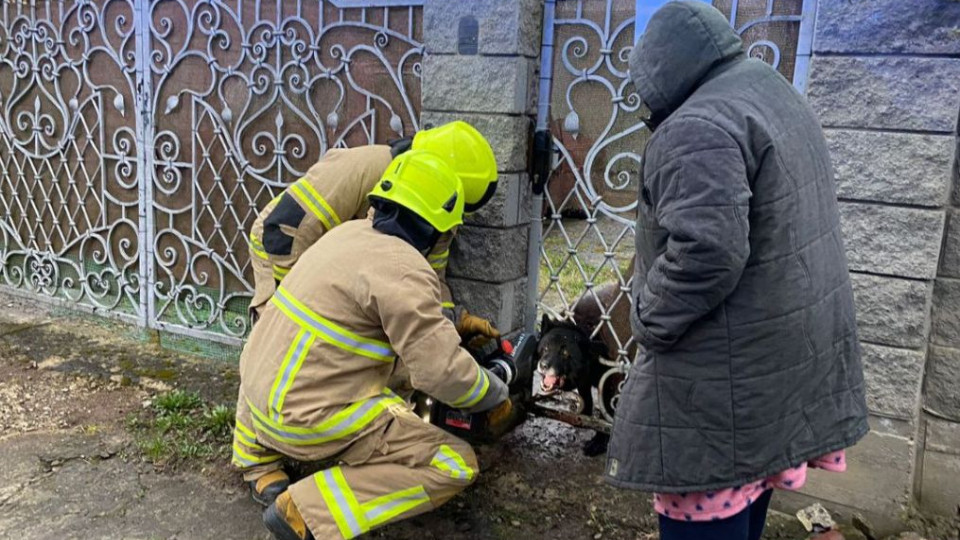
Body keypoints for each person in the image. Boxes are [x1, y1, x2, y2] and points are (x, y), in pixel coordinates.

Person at [605, 3, 869, 540]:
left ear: (657, 71)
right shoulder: (769, 94)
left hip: (723, 376)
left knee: (704, 508)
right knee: (748, 492)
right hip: (775, 360)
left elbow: (707, 251)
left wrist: (648, 318)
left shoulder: (698, 125)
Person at [233, 149, 512, 540]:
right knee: (455, 463)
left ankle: (258, 462)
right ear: (439, 228)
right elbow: (440, 372)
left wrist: (450, 328)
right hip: (303, 420)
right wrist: (493, 390)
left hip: (256, 408)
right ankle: (306, 512)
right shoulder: (405, 269)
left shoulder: (343, 236)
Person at [247, 121, 500, 339]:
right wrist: (295, 302)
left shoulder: (440, 212)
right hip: (283, 250)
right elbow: (283, 230)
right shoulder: (365, 167)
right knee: (285, 338)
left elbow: (431, 276)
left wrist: (449, 321)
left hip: (340, 258)